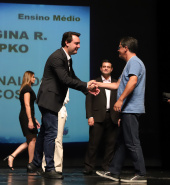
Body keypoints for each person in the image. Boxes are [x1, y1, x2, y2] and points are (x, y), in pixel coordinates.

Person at [27, 31, 99, 179]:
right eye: (76, 43)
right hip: (49, 100)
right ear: (67, 42)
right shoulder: (57, 57)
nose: (79, 46)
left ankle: (34, 163)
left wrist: (87, 89)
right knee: (52, 134)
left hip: (52, 100)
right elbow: (65, 79)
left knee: (45, 133)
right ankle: (49, 169)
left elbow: (72, 76)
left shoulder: (67, 58)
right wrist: (85, 85)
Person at [94, 37, 147, 183]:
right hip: (127, 109)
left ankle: (141, 174)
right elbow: (117, 85)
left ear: (125, 48)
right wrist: (97, 84)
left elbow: (133, 81)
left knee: (132, 142)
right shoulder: (130, 63)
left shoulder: (134, 62)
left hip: (131, 108)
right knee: (123, 141)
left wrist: (120, 99)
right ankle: (114, 171)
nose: (117, 50)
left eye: (119, 47)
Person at [83, 60, 119, 175]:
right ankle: (89, 167)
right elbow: (89, 100)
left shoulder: (116, 83)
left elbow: (120, 100)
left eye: (108, 67)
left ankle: (106, 167)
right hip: (97, 116)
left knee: (110, 144)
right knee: (93, 144)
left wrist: (119, 116)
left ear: (111, 69)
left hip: (112, 116)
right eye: (104, 66)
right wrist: (90, 116)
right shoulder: (95, 82)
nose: (106, 68)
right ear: (100, 68)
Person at [4, 71, 40, 171]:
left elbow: (30, 107)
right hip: (25, 117)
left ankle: (12, 156)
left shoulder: (27, 88)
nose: (34, 79)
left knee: (31, 140)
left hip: (28, 116)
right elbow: (27, 105)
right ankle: (30, 164)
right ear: (29, 78)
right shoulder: (27, 88)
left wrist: (34, 119)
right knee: (32, 140)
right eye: (33, 77)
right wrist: (30, 120)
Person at [42, 89, 69, 174]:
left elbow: (66, 98)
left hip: (60, 110)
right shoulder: (47, 79)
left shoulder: (65, 80)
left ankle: (57, 167)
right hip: (48, 110)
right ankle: (45, 166)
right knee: (48, 138)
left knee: (58, 140)